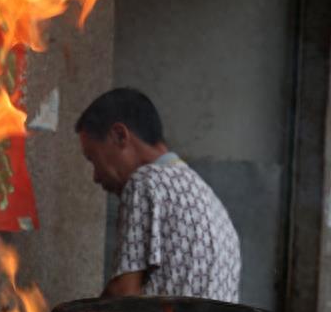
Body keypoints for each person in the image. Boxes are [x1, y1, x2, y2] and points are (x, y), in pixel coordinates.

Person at [76, 87, 240, 301]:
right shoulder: (206, 196)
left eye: (92, 159)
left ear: (119, 135)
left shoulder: (146, 182)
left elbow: (124, 296)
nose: (96, 176)